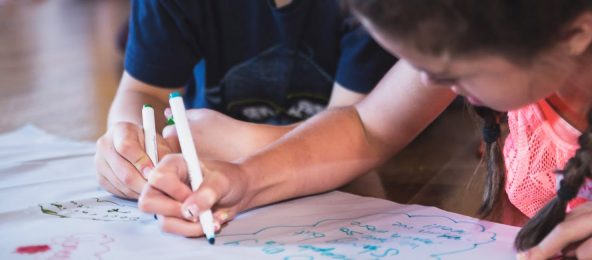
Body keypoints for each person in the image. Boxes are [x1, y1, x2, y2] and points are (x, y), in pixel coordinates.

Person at [137, 0, 592, 259]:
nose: (427, 85)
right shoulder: (490, 20)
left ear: (574, 32)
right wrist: (244, 178)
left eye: (449, 73)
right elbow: (364, 126)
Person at [95, 0, 396, 199]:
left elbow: (357, 134)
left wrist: (245, 144)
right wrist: (135, 147)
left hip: (339, 193)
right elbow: (144, 94)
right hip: (207, 170)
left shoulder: (377, 8)